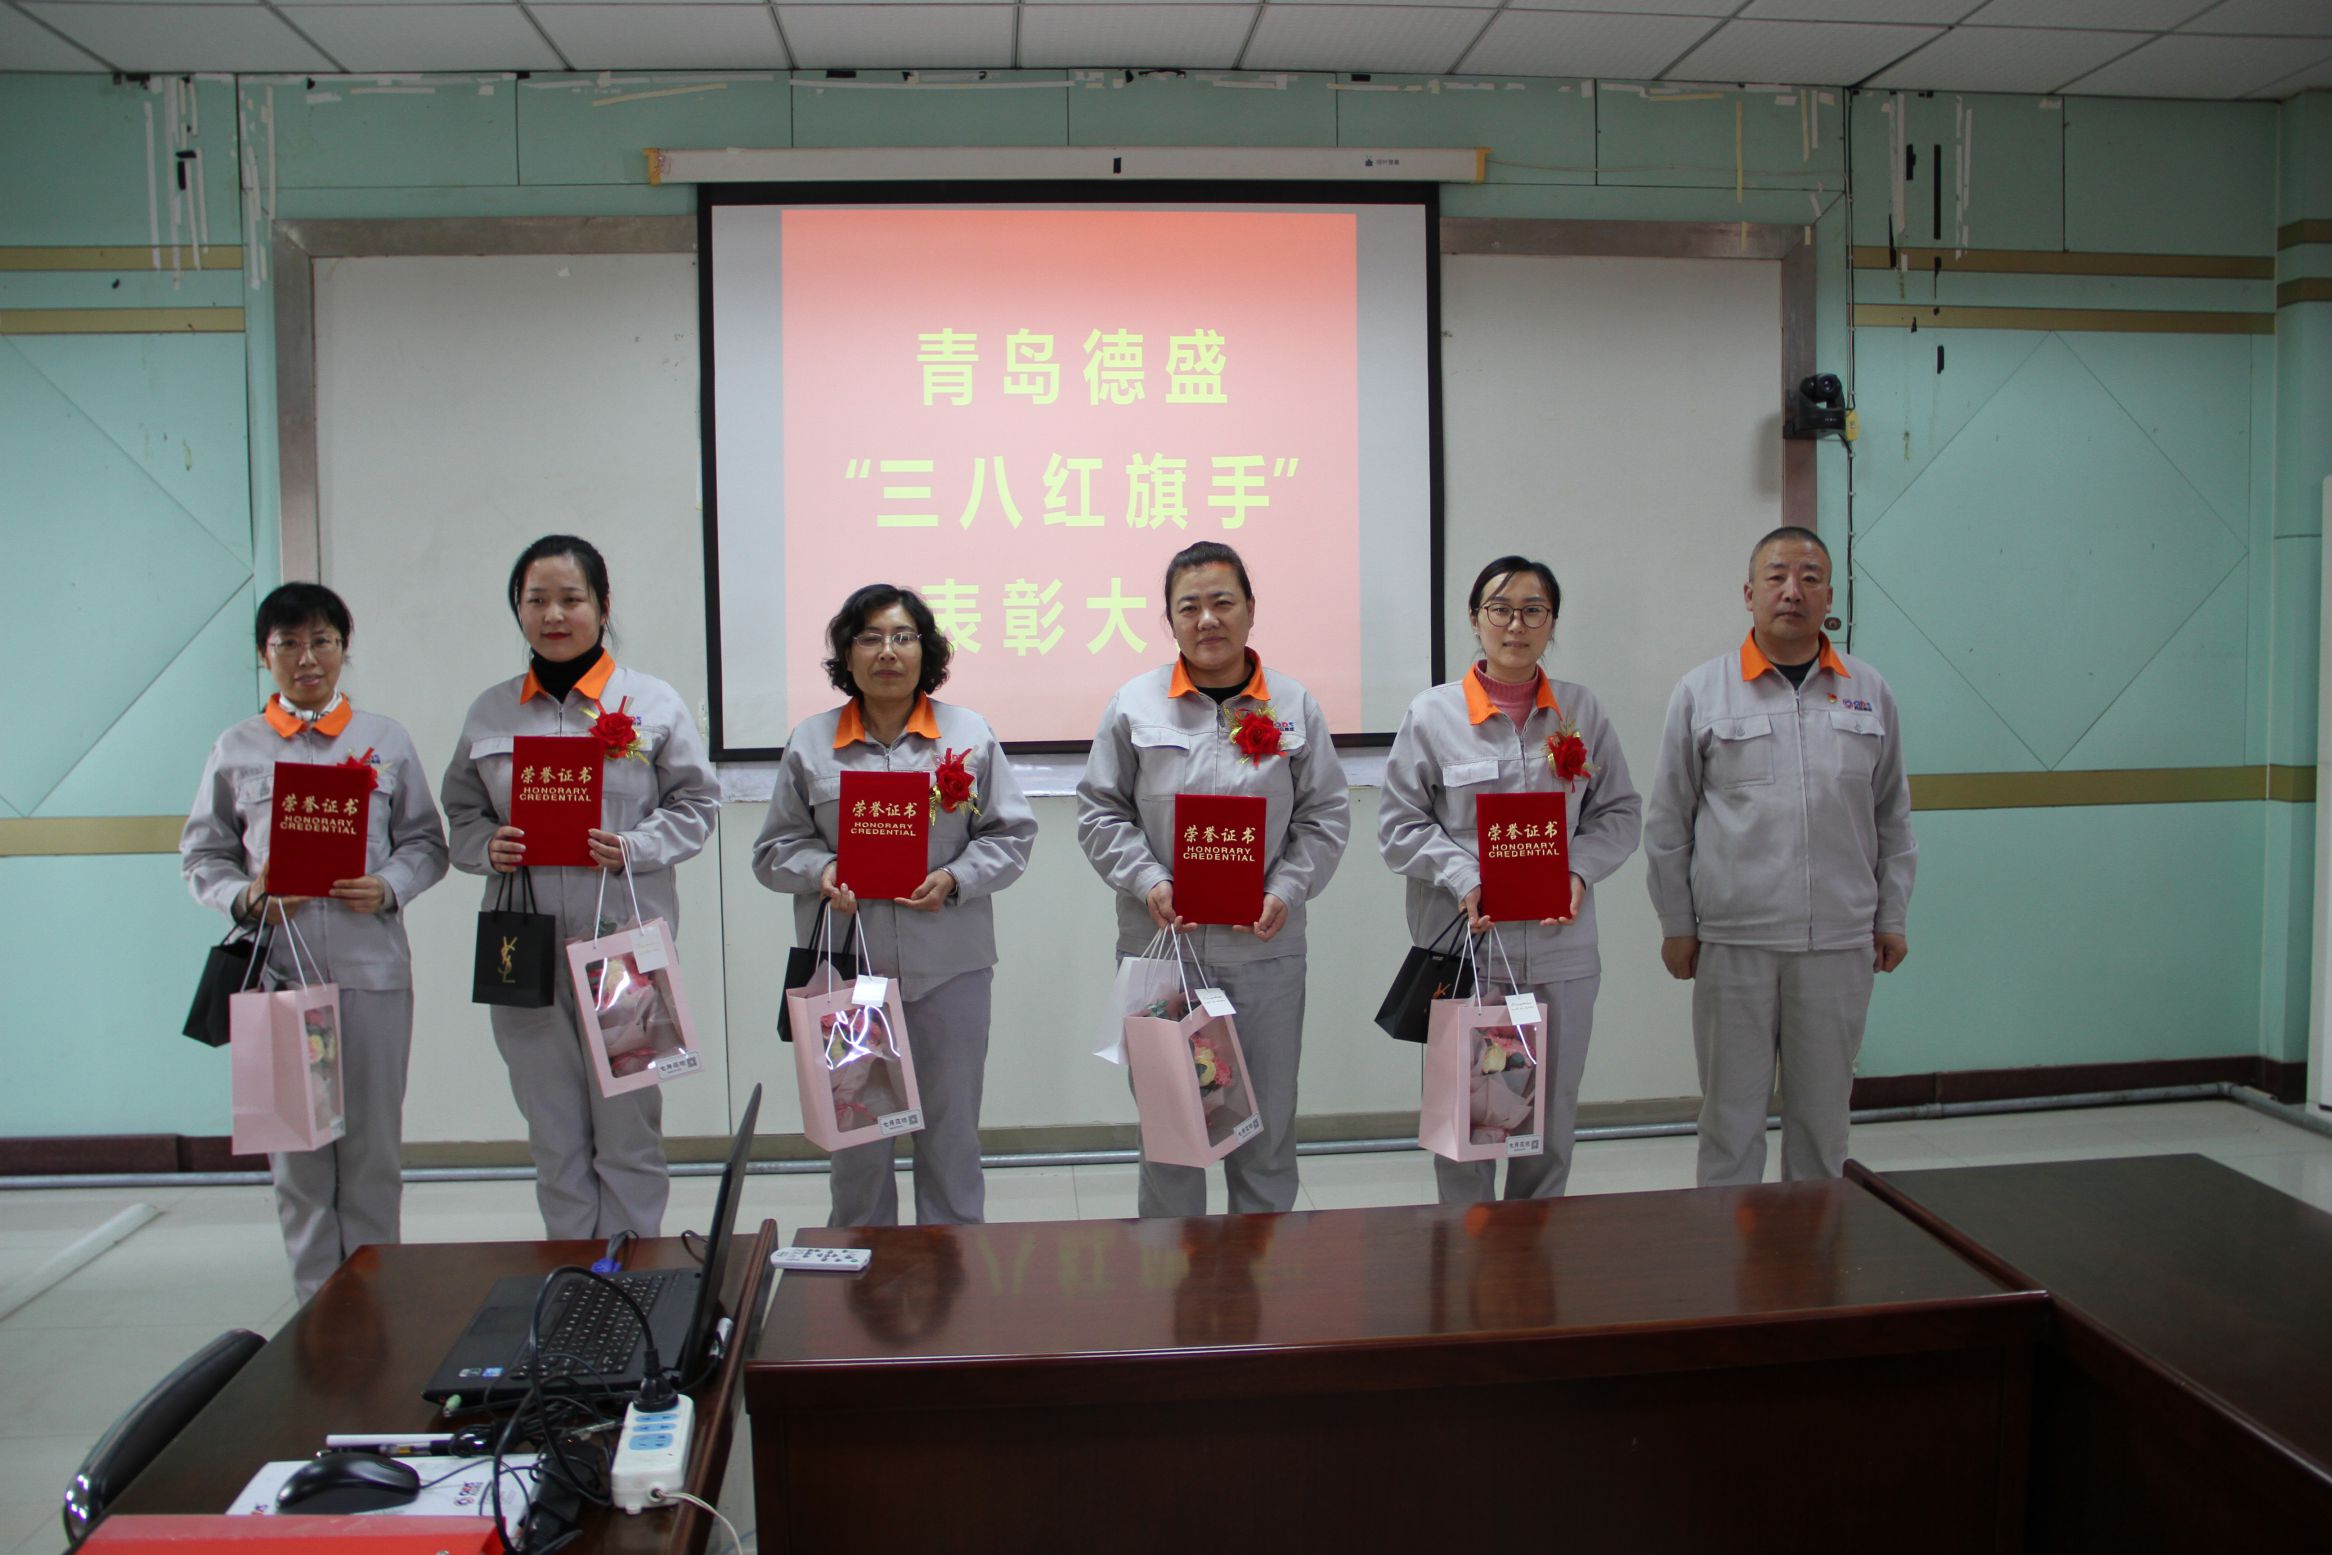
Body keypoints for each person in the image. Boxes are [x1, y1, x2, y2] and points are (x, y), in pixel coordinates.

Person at [440, 534, 719, 1239]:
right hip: (522, 949)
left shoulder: (652, 702)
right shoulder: (491, 712)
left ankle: (633, 1272)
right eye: (537, 600)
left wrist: (633, 846)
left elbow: (696, 805)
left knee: (629, 1127)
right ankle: (572, 1273)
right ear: (518, 608)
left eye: (571, 598)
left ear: (603, 605)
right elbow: (462, 814)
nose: (554, 615)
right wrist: (486, 847)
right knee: (553, 1130)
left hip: (627, 945)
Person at [181, 583, 449, 1301]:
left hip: (372, 975)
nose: (307, 658)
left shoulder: (385, 741)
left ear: (343, 648)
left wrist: (388, 885)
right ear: (263, 654)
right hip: (280, 982)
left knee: (372, 1157)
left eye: (322, 641)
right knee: (298, 1165)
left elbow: (426, 843)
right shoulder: (236, 747)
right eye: (288, 644)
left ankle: (374, 1309)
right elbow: (202, 856)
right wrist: (247, 897)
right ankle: (317, 1320)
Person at [1077, 541, 1350, 1217]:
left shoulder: (1293, 704)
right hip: (1162, 951)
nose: (1207, 619)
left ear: (1251, 609)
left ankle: (1261, 1271)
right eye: (1189, 606)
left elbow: (1324, 817)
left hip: (1263, 951)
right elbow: (1099, 813)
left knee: (1264, 1128)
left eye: (1223, 601)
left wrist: (1286, 889)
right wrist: (1148, 880)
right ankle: (1174, 1276)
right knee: (1173, 1135)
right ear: (1169, 620)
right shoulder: (1134, 704)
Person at [752, 584, 1037, 1228]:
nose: (888, 652)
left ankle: (952, 1273)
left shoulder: (969, 734)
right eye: (870, 638)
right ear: (847, 655)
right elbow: (773, 851)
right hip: (849, 976)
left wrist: (956, 878)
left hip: (950, 972)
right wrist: (821, 869)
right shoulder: (811, 742)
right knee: (857, 1145)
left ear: (925, 650)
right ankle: (863, 1276)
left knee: (951, 1139)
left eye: (903, 637)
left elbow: (1012, 837)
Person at [1643, 525, 1916, 1186]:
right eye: (1777, 576)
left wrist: (1891, 914)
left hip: (1839, 942)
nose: (1793, 590)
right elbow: (1668, 821)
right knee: (1730, 1121)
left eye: (1810, 577)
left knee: (1823, 1124)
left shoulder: (1869, 690)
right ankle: (1724, 1246)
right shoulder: (1702, 692)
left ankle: (1813, 1247)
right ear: (1749, 593)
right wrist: (1677, 924)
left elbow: (1892, 814)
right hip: (1734, 941)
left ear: (1829, 597)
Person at [1378, 555, 1641, 1204]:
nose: (1516, 625)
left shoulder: (1581, 710)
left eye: (1533, 610)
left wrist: (1579, 870)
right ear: (1475, 619)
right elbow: (1400, 826)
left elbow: (1619, 813)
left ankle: (1535, 1248)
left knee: (1550, 1117)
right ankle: (1465, 1249)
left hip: (1560, 949)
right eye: (1500, 609)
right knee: (1466, 1119)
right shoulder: (1433, 714)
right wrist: (1463, 875)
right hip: (1470, 952)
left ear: (1552, 622)